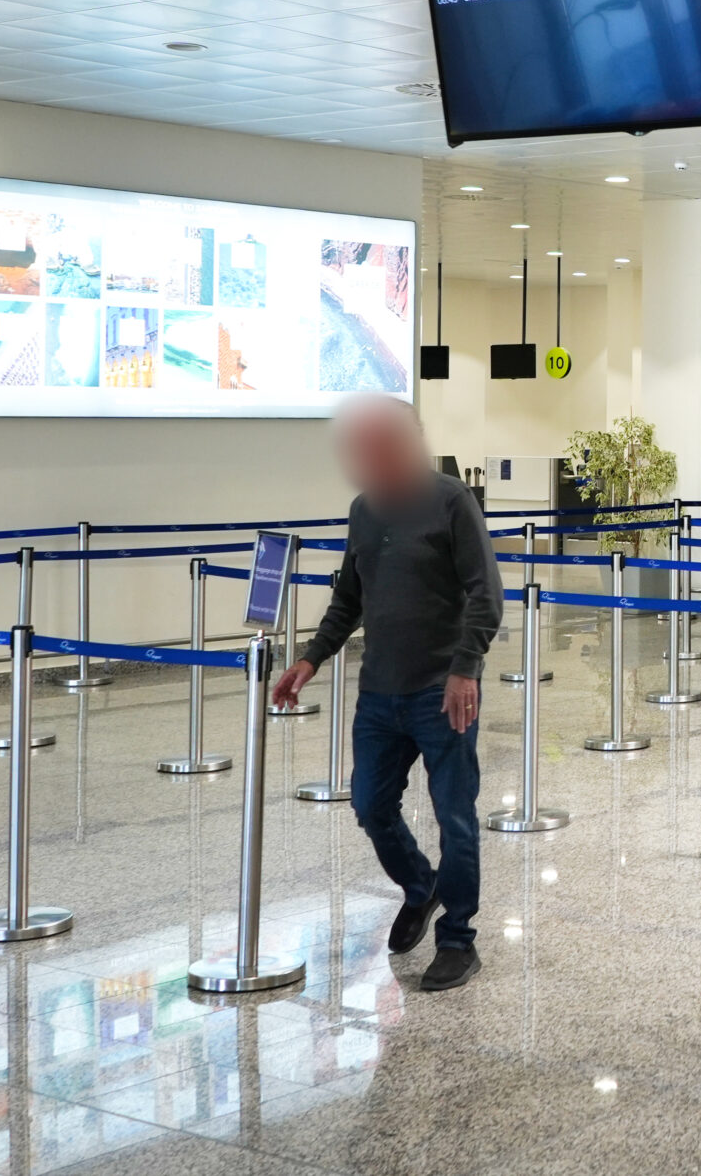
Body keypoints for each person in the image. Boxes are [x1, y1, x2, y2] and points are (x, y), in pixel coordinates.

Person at [272, 396, 499, 993]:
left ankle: (457, 940)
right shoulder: (364, 511)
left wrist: (465, 667)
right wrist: (310, 657)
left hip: (443, 692)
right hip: (379, 694)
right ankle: (419, 885)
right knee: (371, 804)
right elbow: (351, 597)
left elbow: (485, 593)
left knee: (456, 817)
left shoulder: (452, 501)